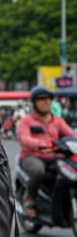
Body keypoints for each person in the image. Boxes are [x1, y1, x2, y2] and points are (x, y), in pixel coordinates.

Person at [18, 85, 73, 216]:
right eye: (42, 99)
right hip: (32, 156)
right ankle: (30, 199)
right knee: (38, 170)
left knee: (70, 169)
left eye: (48, 99)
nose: (46, 102)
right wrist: (41, 144)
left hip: (54, 156)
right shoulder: (26, 121)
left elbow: (70, 134)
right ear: (34, 102)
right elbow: (24, 138)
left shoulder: (57, 121)